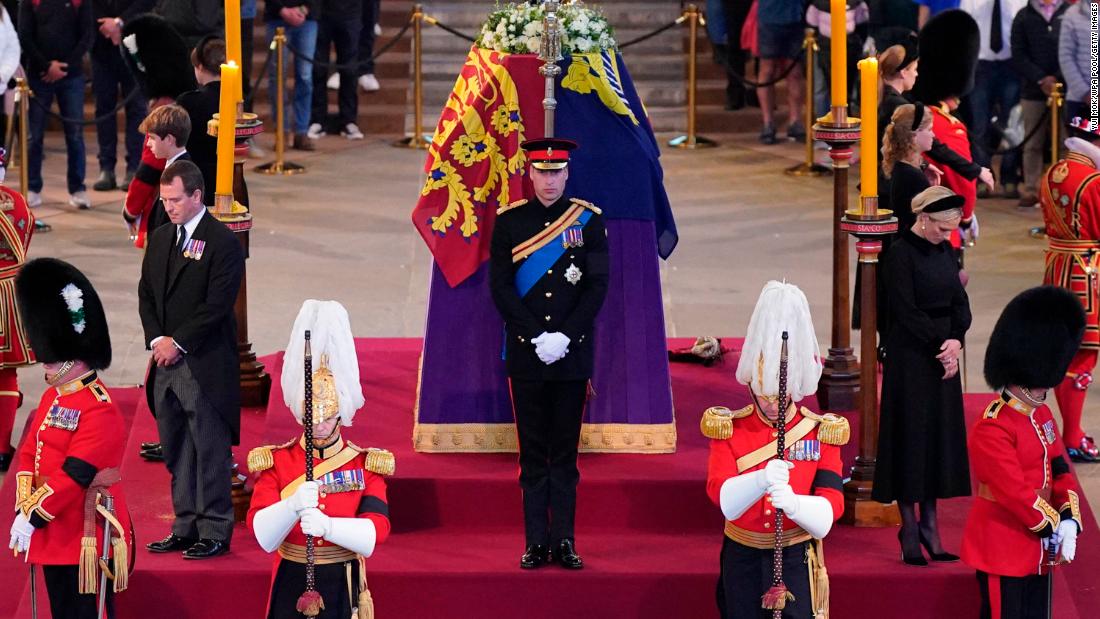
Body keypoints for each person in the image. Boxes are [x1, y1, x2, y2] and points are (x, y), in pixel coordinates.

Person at [489, 137, 609, 570]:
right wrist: (535, 337)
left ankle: (566, 542)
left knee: (565, 455)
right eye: (542, 172)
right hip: (527, 354)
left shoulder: (589, 221)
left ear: (568, 172)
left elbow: (597, 287)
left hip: (571, 355)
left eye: (557, 172)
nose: (549, 180)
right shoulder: (510, 223)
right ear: (529, 173)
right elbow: (501, 288)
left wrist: (565, 337)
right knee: (532, 454)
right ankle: (536, 542)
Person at [703, 280, 847, 619]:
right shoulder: (729, 427)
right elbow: (719, 495)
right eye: (764, 395)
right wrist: (759, 481)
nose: (771, 405)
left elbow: (832, 506)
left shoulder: (820, 431)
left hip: (795, 554)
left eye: (778, 397)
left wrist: (796, 504)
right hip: (743, 555)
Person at [248, 300, 392, 619]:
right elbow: (262, 535)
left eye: (327, 417)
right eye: (312, 417)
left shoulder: (364, 465)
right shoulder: (276, 462)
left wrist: (329, 526)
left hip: (341, 578)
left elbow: (376, 532)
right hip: (292, 575)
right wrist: (291, 506)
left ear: (341, 413)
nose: (320, 425)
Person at [8, 258, 133, 618]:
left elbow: (76, 473)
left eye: (50, 360)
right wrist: (23, 505)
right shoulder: (54, 395)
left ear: (73, 358)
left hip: (83, 529)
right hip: (53, 523)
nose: (44, 364)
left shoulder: (100, 407)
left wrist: (32, 515)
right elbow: (30, 451)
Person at [138, 160, 244, 559]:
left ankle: (215, 528)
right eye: (164, 200)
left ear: (197, 196)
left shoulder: (223, 243)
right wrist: (157, 340)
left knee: (209, 449)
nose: (168, 206)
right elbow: (146, 294)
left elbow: (217, 305)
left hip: (203, 363)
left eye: (175, 199)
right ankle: (184, 525)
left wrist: (177, 342)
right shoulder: (162, 236)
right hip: (165, 362)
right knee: (177, 447)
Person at [962, 286, 1085, 618]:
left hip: (1040, 547)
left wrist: (1070, 517)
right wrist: (1053, 524)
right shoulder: (993, 426)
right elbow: (1013, 492)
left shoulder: (1041, 414)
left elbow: (1060, 469)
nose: (1046, 389)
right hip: (1004, 546)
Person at [873, 185, 973, 566]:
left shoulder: (945, 251)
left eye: (951, 230)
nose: (945, 236)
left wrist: (957, 341)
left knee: (937, 439)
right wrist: (940, 344)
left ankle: (931, 524)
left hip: (944, 353)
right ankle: (910, 527)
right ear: (923, 218)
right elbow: (904, 309)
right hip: (912, 357)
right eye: (941, 228)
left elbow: (959, 303)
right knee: (911, 439)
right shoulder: (899, 255)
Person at [1038, 117, 1100, 462]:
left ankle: (1068, 432)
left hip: (1057, 266)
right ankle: (1073, 435)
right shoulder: (1094, 181)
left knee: (1064, 351)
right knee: (1083, 356)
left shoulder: (1052, 172)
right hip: (1087, 273)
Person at [18, 0, 95, 210]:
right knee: (34, 136)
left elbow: (87, 35)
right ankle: (32, 187)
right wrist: (46, 66)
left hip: (72, 76)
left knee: (75, 135)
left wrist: (64, 66)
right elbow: (25, 34)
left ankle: (77, 188)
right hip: (38, 75)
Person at [958, 0, 1026, 199]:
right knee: (980, 123)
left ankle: (1010, 178)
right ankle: (982, 177)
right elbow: (965, 29)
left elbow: (1023, 28)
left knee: (1011, 124)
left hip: (1011, 64)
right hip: (981, 65)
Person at [90, 0, 153, 192]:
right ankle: (106, 168)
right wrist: (106, 25)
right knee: (104, 109)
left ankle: (134, 167)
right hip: (101, 45)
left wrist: (120, 22)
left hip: (135, 44)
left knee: (136, 109)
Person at [1010, 0, 1068, 208]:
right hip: (1033, 89)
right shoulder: (1023, 16)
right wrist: (1041, 79)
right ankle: (1032, 189)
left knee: (1066, 142)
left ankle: (1065, 188)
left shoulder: (1068, 13)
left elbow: (1072, 51)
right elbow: (1018, 54)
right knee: (1032, 142)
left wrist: (1057, 79)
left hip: (1066, 89)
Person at [0, 148, 34, 471]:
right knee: (8, 373)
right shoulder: (19, 202)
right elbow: (27, 236)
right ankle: (1, 446)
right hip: (10, 291)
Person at [122, 104, 192, 253]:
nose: (148, 143)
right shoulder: (173, 168)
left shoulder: (179, 175)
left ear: (169, 139)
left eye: (152, 138)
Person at [176, 36, 224, 203]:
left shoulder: (189, 102)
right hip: (232, 182)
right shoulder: (236, 100)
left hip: (197, 183)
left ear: (201, 67)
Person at [266, 0, 319, 151]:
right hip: (276, 17)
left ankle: (301, 131)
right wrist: (282, 9)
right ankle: (281, 131)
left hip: (307, 19)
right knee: (277, 78)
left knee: (305, 76)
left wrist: (303, 9)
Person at [309, 0, 364, 141]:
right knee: (318, 68)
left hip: (350, 13)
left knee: (349, 70)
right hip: (321, 11)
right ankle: (317, 119)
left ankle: (349, 120)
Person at [754, 0, 806, 144]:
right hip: (769, 18)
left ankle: (795, 121)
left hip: (796, 18)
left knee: (794, 71)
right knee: (767, 70)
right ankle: (768, 123)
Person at [1057, 0, 1096, 129]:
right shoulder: (1073, 14)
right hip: (1080, 101)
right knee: (1081, 147)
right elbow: (1066, 57)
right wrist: (1086, 93)